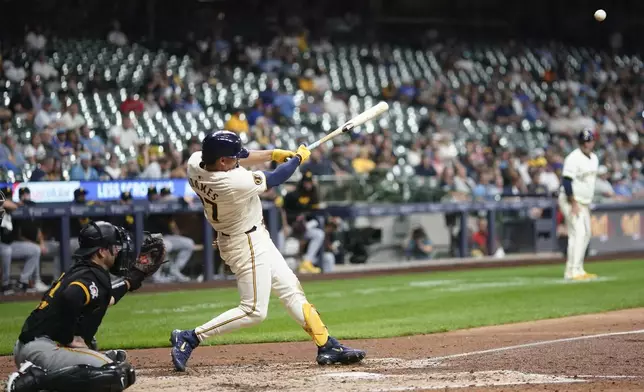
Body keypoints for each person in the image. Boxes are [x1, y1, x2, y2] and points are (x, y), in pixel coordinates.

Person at [170, 131, 365, 372]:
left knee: (291, 289)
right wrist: (297, 160)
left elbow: (244, 155)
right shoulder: (232, 182)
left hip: (253, 236)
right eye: (232, 159)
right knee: (253, 311)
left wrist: (273, 153)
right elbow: (275, 178)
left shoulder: (195, 162)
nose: (237, 161)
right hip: (245, 243)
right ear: (222, 161)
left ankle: (327, 345)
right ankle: (190, 337)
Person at [5, 221, 163, 392]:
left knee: (91, 345)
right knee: (117, 373)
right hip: (42, 349)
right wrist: (69, 339)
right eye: (114, 247)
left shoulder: (84, 270)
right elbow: (70, 296)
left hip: (31, 345)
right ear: (102, 251)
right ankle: (31, 381)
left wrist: (131, 280)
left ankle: (50, 374)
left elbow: (104, 298)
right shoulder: (91, 276)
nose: (118, 251)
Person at [559, 129, 599, 281]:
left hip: (584, 202)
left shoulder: (594, 158)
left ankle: (578, 268)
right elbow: (567, 182)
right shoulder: (573, 158)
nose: (587, 144)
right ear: (580, 143)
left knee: (586, 233)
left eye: (589, 141)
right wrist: (573, 202)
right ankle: (572, 271)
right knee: (578, 233)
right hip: (571, 200)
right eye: (584, 141)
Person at [283, 171, 327, 273]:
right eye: (306, 182)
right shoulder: (292, 195)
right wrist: (291, 220)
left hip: (304, 227)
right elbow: (284, 211)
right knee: (280, 241)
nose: (308, 185)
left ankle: (307, 262)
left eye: (310, 183)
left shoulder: (313, 195)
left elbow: (315, 212)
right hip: (289, 226)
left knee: (319, 234)